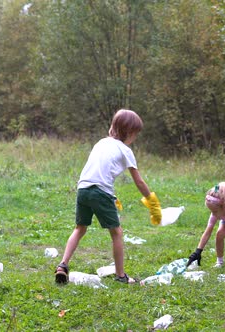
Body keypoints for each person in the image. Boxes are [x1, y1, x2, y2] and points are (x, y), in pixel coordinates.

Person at [55, 109, 162, 285]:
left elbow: (99, 170)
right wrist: (152, 202)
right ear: (129, 132)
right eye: (135, 134)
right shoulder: (126, 150)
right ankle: (121, 276)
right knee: (117, 233)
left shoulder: (101, 142)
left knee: (80, 228)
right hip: (100, 191)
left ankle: (63, 265)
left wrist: (111, 197)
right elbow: (139, 182)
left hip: (83, 188)